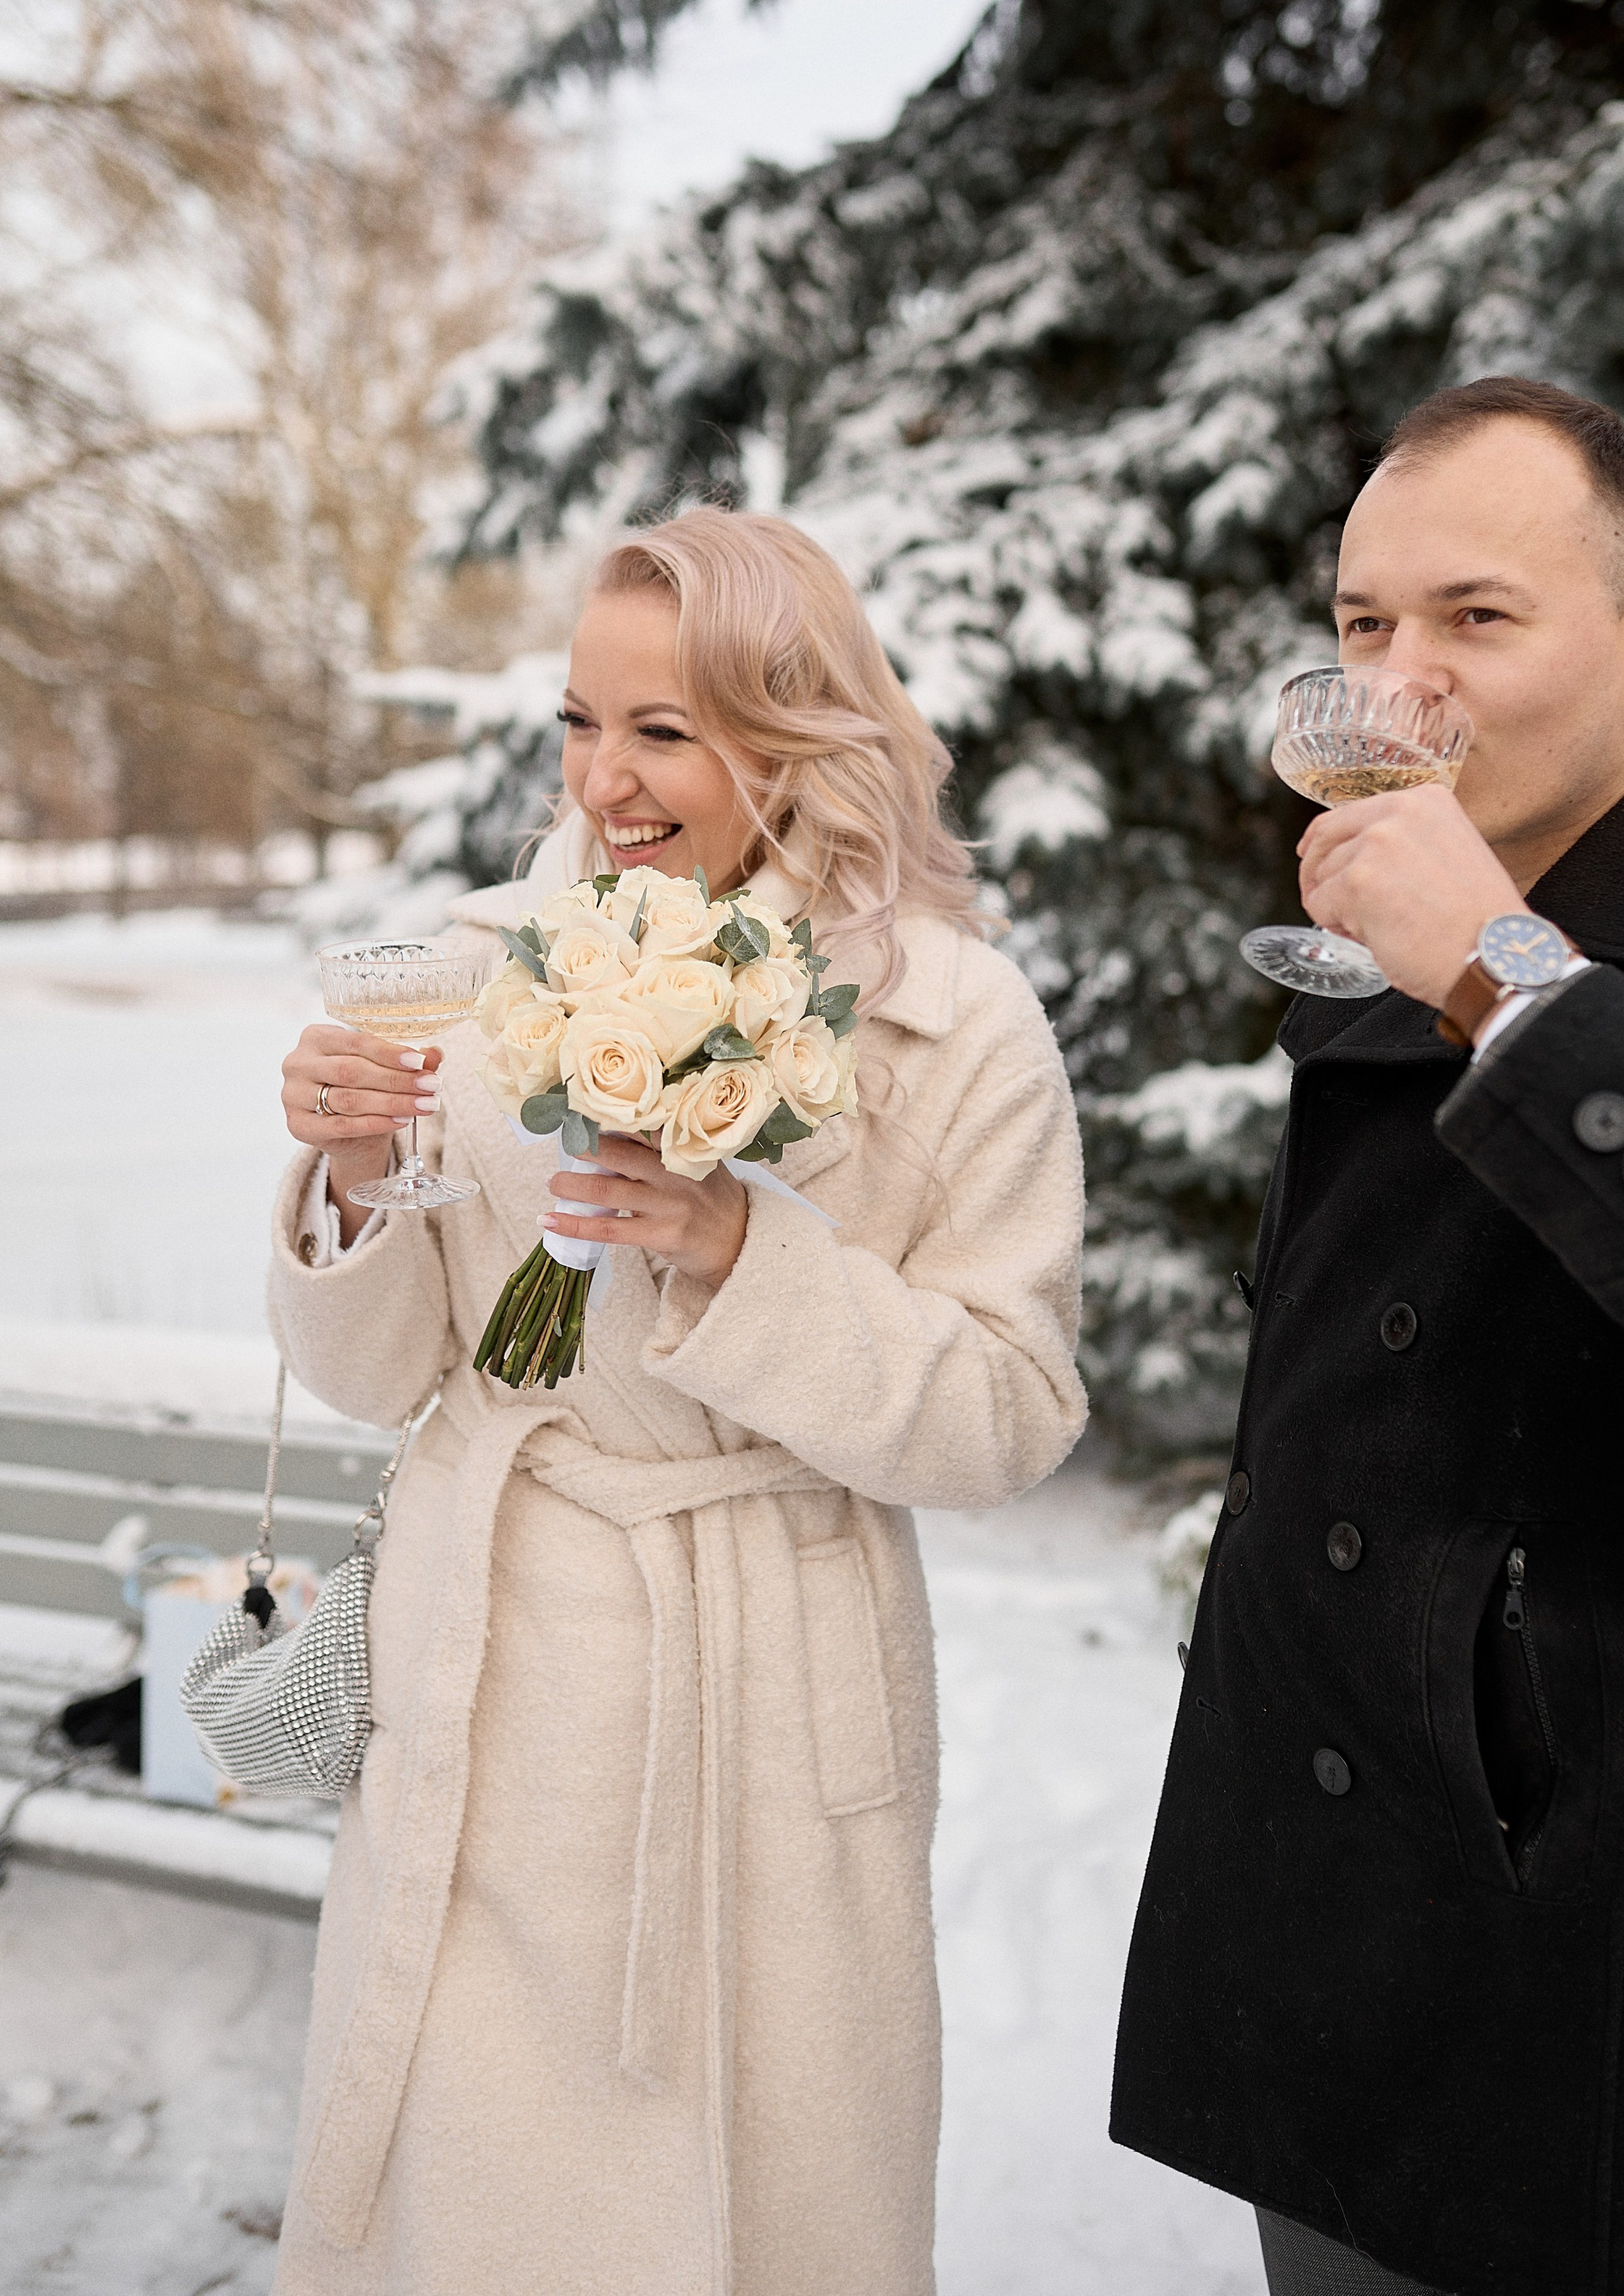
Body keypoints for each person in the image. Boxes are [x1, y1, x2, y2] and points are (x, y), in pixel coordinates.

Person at [267, 509, 1087, 2296]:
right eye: (580, 721)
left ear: (796, 734)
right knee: (470, 2220)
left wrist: (743, 1258)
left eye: (664, 729)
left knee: (757, 2220)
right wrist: (348, 1175)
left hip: (765, 1714)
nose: (603, 779)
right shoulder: (479, 967)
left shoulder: (953, 1023)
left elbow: (1010, 1415)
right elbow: (379, 1376)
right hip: (491, 1690)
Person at [1111, 377, 1624, 2296]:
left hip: (1589, 1969)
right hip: (1318, 1913)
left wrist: (1509, 980)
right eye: (1362, 625)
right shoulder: (1424, 883)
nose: (1397, 686)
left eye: (1474, 618)